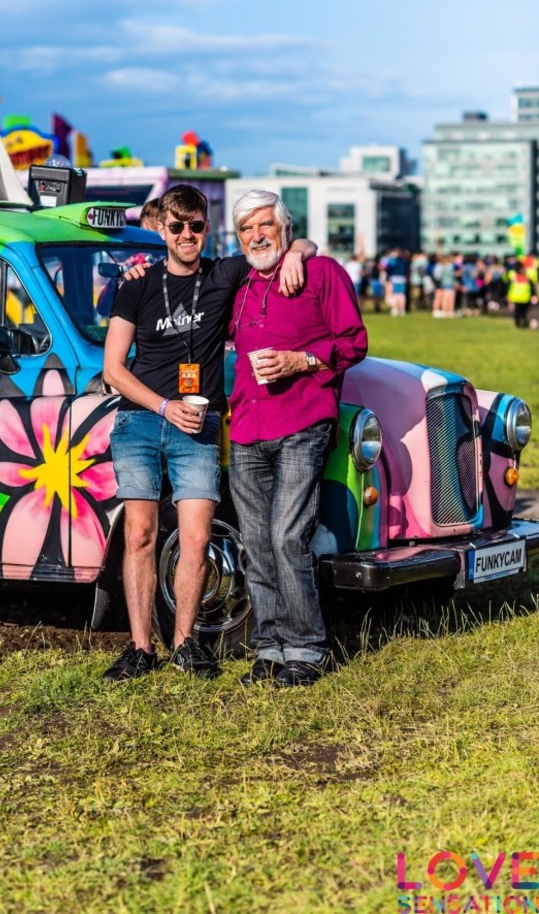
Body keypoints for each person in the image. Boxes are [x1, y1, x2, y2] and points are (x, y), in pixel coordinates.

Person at [101, 185, 314, 682]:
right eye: (176, 226)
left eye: (196, 225)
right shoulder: (136, 285)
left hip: (198, 424)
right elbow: (113, 369)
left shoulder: (224, 273)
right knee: (139, 535)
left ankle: (186, 643)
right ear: (162, 229)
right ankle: (140, 648)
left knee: (196, 538)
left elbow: (293, 245)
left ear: (206, 227)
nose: (187, 235)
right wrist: (163, 405)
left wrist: (297, 255)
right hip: (141, 420)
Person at [228, 191, 368, 687]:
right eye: (247, 228)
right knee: (257, 542)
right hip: (246, 427)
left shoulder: (321, 272)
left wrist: (301, 360)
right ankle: (270, 648)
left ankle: (306, 650)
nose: (257, 235)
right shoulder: (239, 285)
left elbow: (355, 343)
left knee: (289, 536)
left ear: (285, 229)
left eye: (266, 225)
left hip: (303, 422)